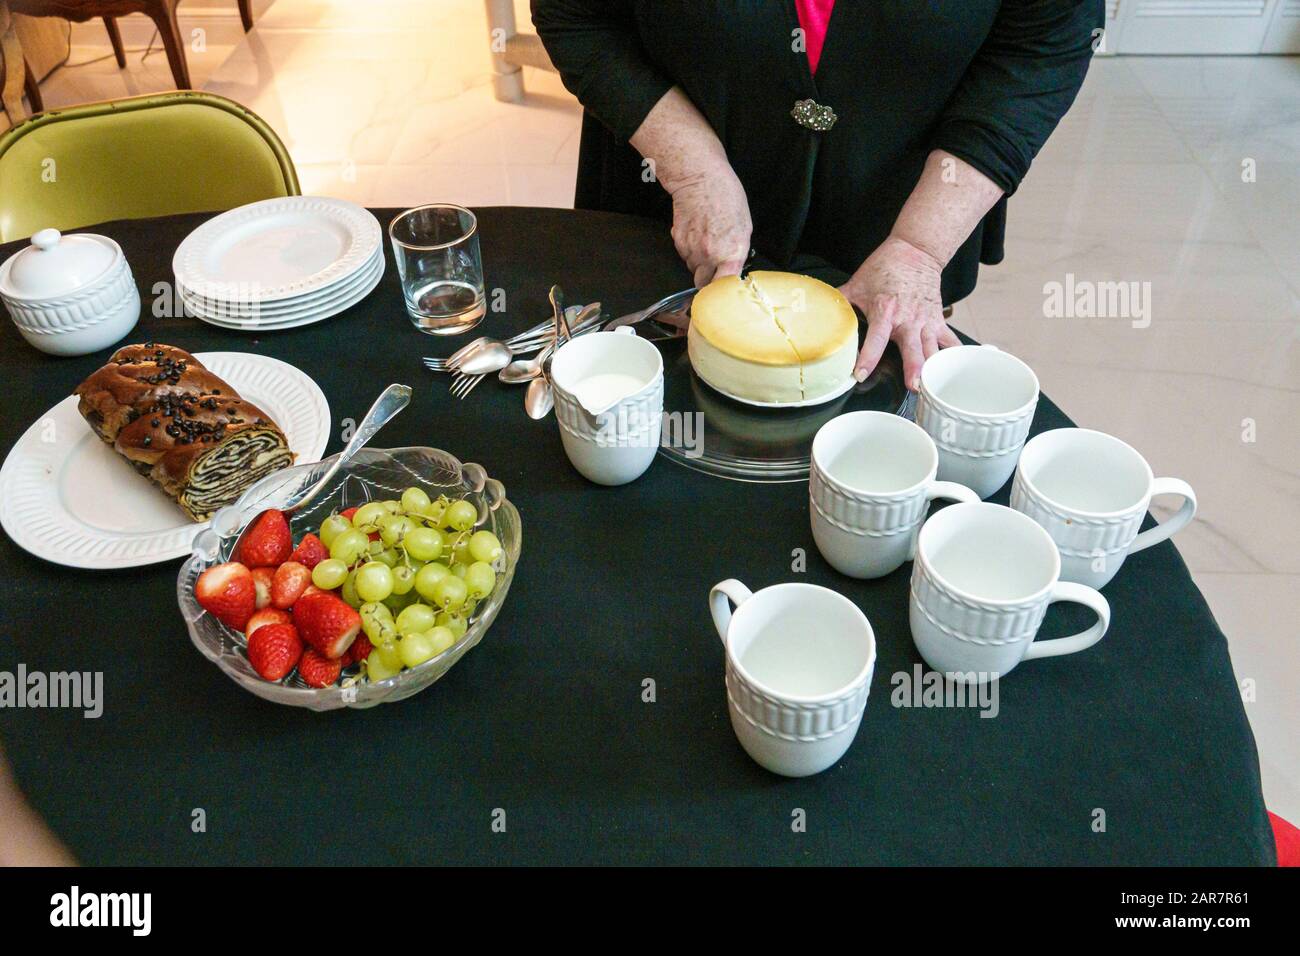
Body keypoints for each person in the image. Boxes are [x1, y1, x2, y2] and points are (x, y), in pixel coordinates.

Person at [532, 1, 1102, 388]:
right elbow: (576, 14)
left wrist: (919, 248)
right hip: (667, 207)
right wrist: (691, 170)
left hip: (901, 204)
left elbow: (1046, 42)